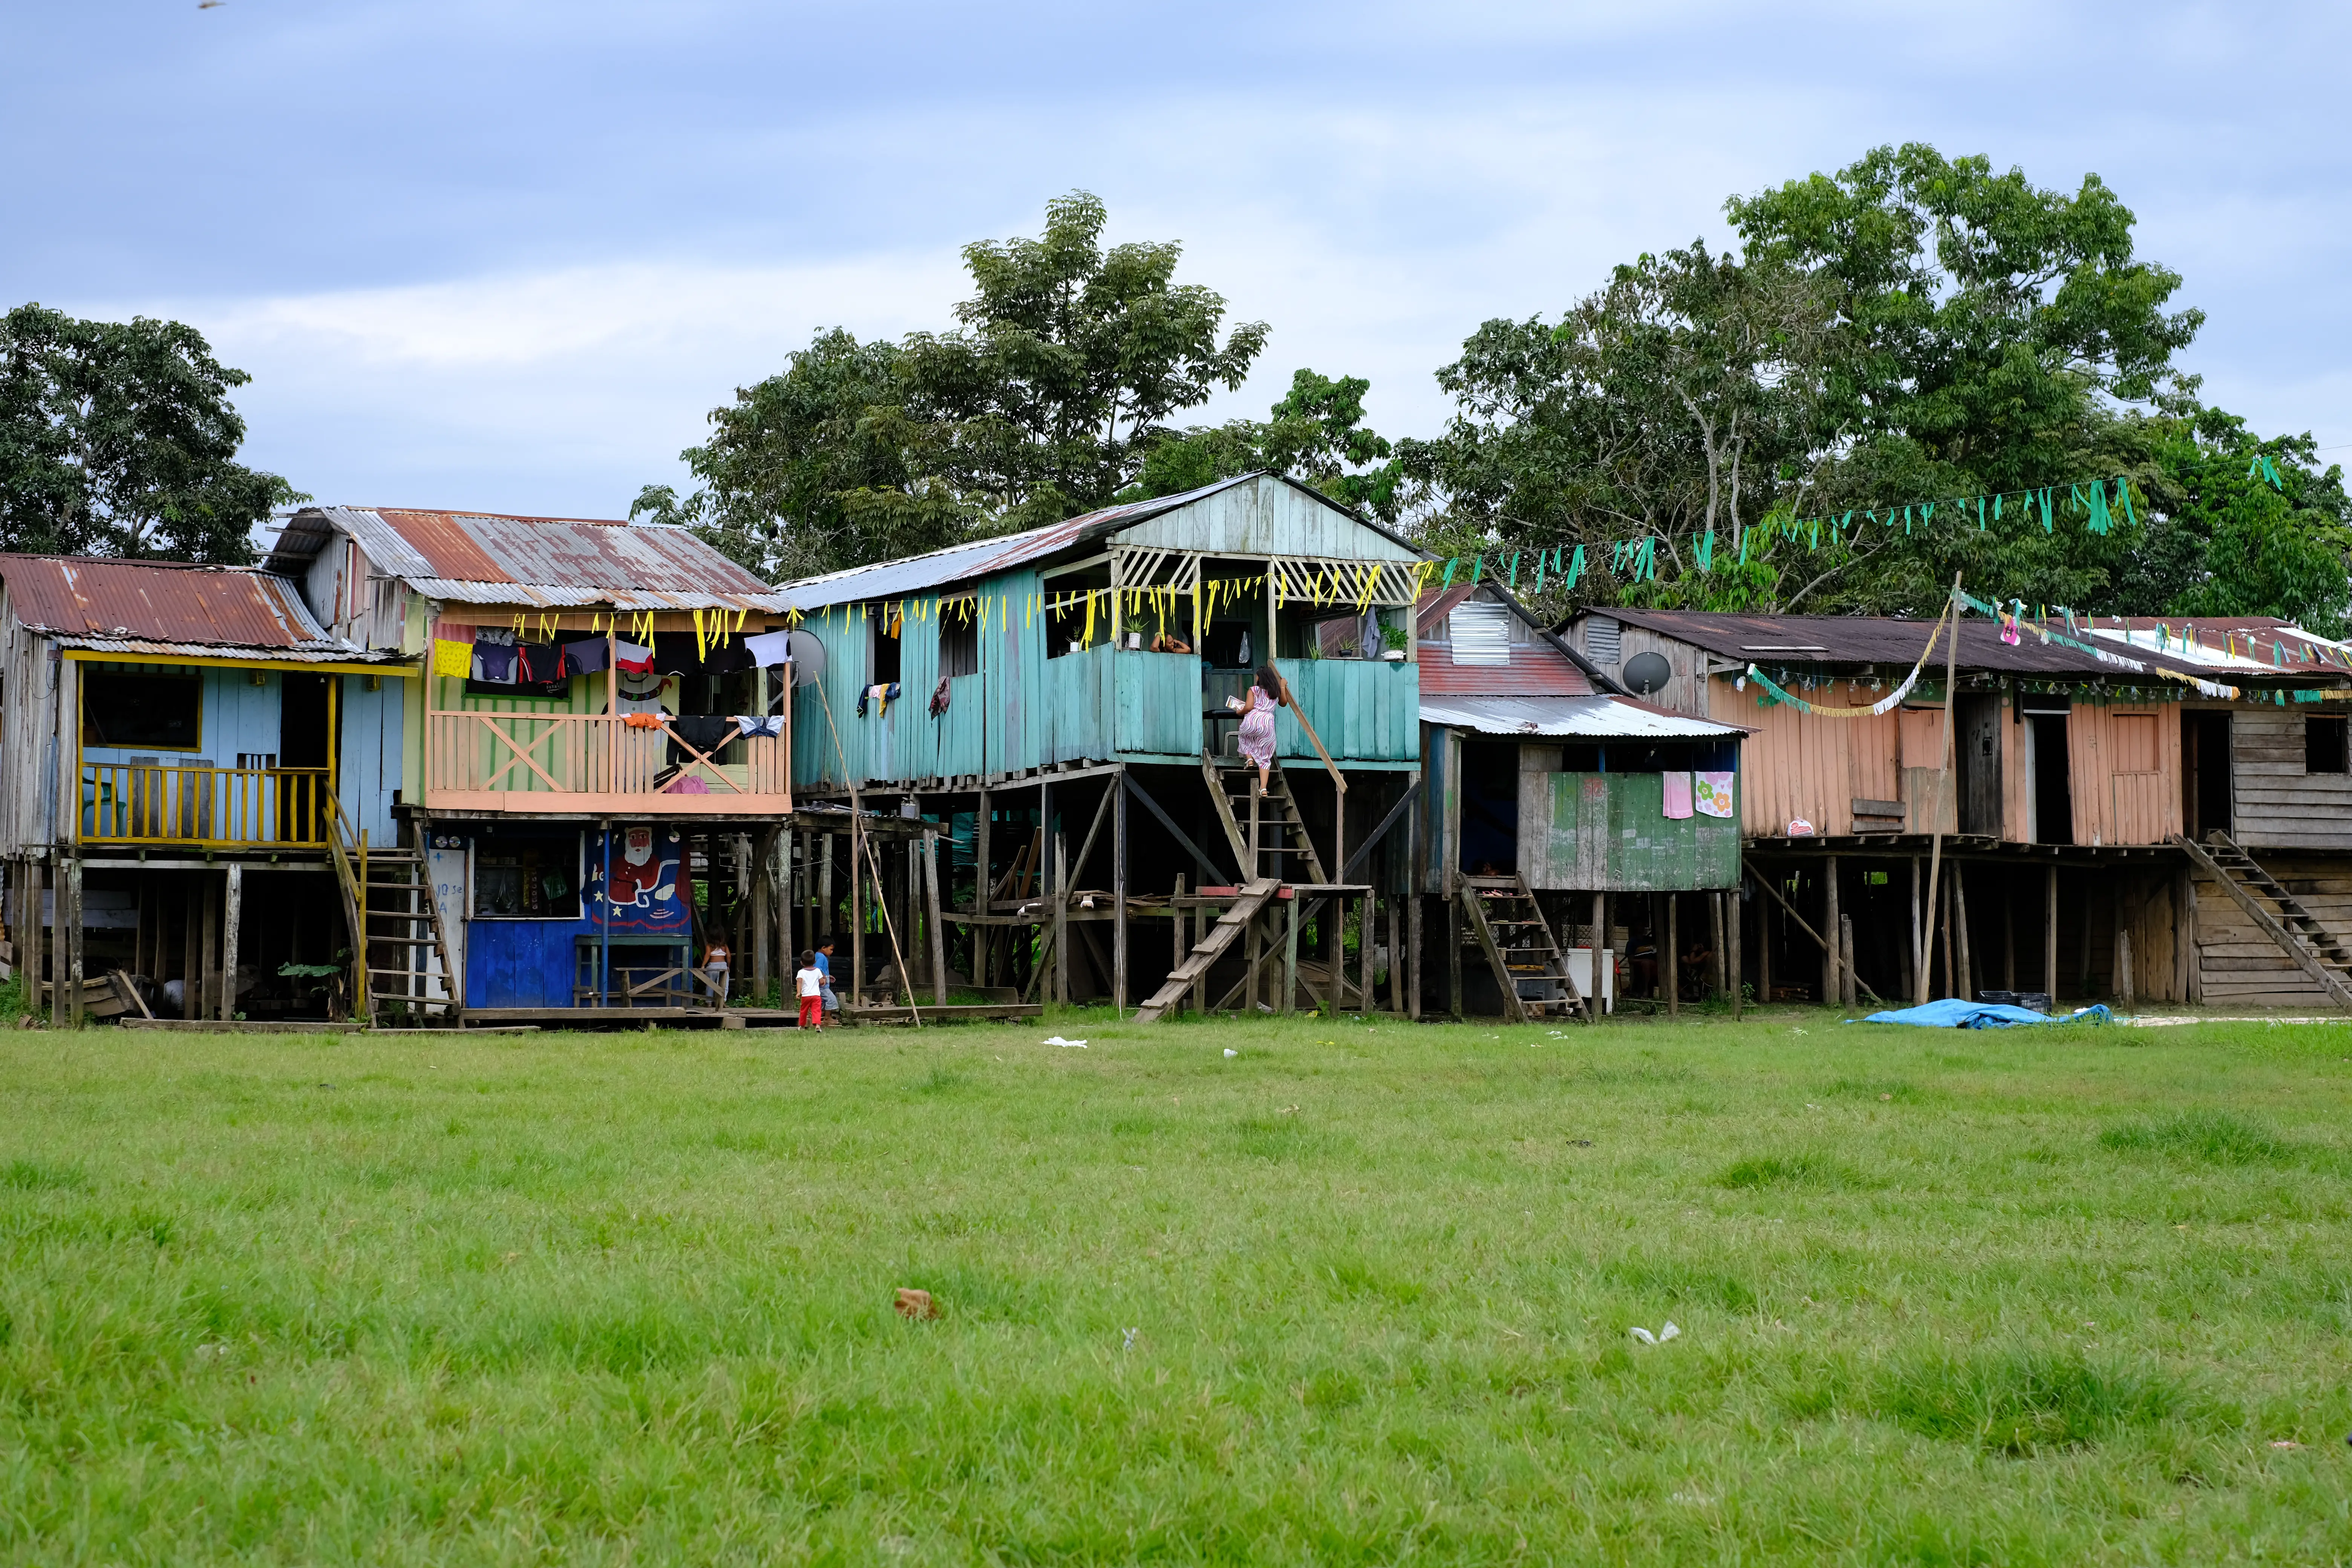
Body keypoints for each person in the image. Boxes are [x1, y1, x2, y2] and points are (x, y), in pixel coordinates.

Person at [1225, 662, 1285, 793]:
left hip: (1253, 720)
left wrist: (1239, 712)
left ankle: (1250, 760)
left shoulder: (1253, 690)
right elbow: (1284, 703)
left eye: (1257, 676)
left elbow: (1248, 708)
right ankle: (1263, 789)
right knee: (1265, 758)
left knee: (1244, 737)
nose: (1256, 678)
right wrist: (1283, 686)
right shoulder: (1275, 692)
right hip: (1267, 725)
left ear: (1260, 678)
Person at [795, 949, 825, 1031]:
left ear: (802, 963)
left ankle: (802, 1026)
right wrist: (824, 981)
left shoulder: (801, 972)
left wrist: (799, 992)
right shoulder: (818, 971)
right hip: (816, 996)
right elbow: (822, 982)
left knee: (804, 1011)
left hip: (806, 996)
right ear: (815, 961)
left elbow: (800, 982)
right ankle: (818, 1025)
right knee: (816, 1011)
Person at [814, 937, 838, 1018]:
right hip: (823, 986)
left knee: (823, 1001)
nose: (832, 952)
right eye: (831, 949)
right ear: (824, 948)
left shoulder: (818, 955)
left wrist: (828, 976)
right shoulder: (822, 957)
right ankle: (828, 1019)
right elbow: (818, 969)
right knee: (831, 999)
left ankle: (816, 1017)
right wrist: (823, 978)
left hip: (821, 985)